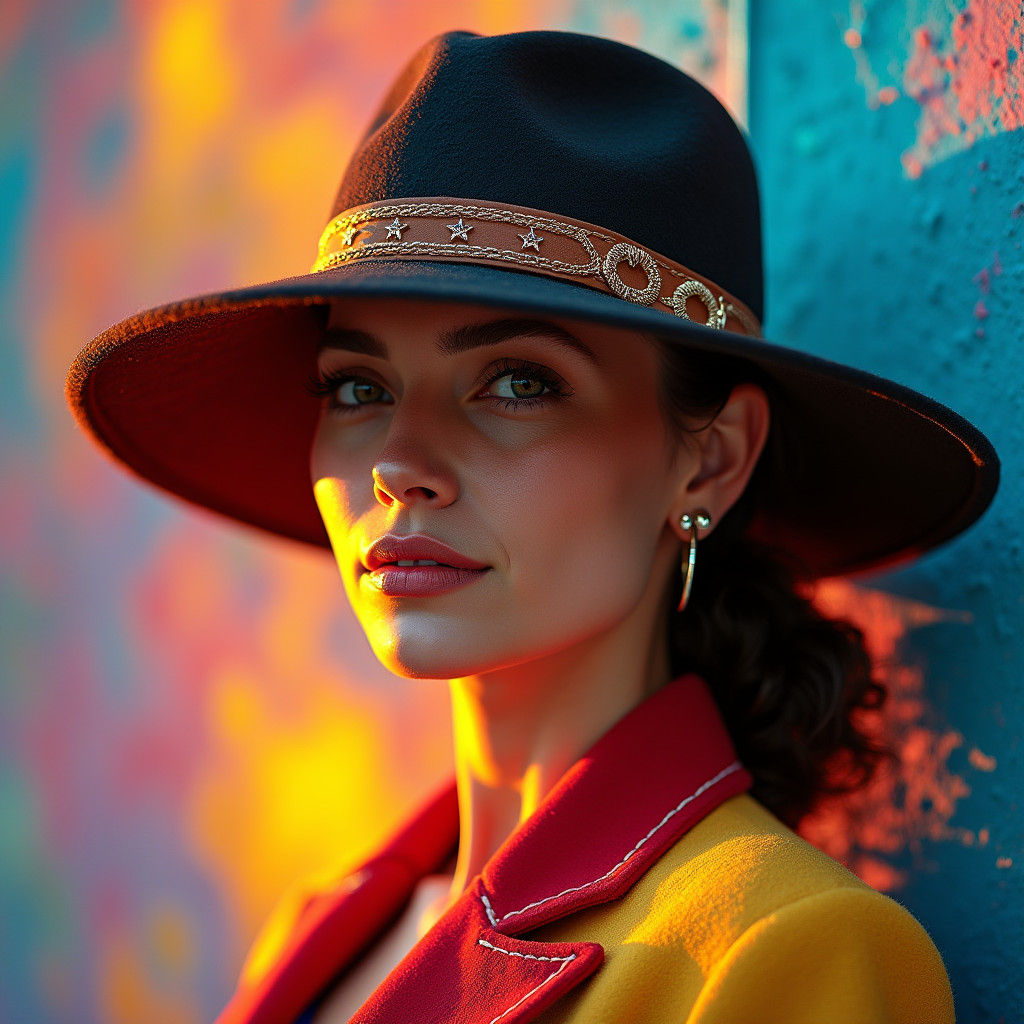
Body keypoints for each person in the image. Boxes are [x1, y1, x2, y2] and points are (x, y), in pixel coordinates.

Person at [64, 28, 999, 1024]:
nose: (397, 463)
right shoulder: (316, 925)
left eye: (517, 382)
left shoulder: (785, 950)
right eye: (356, 385)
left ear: (711, 457)